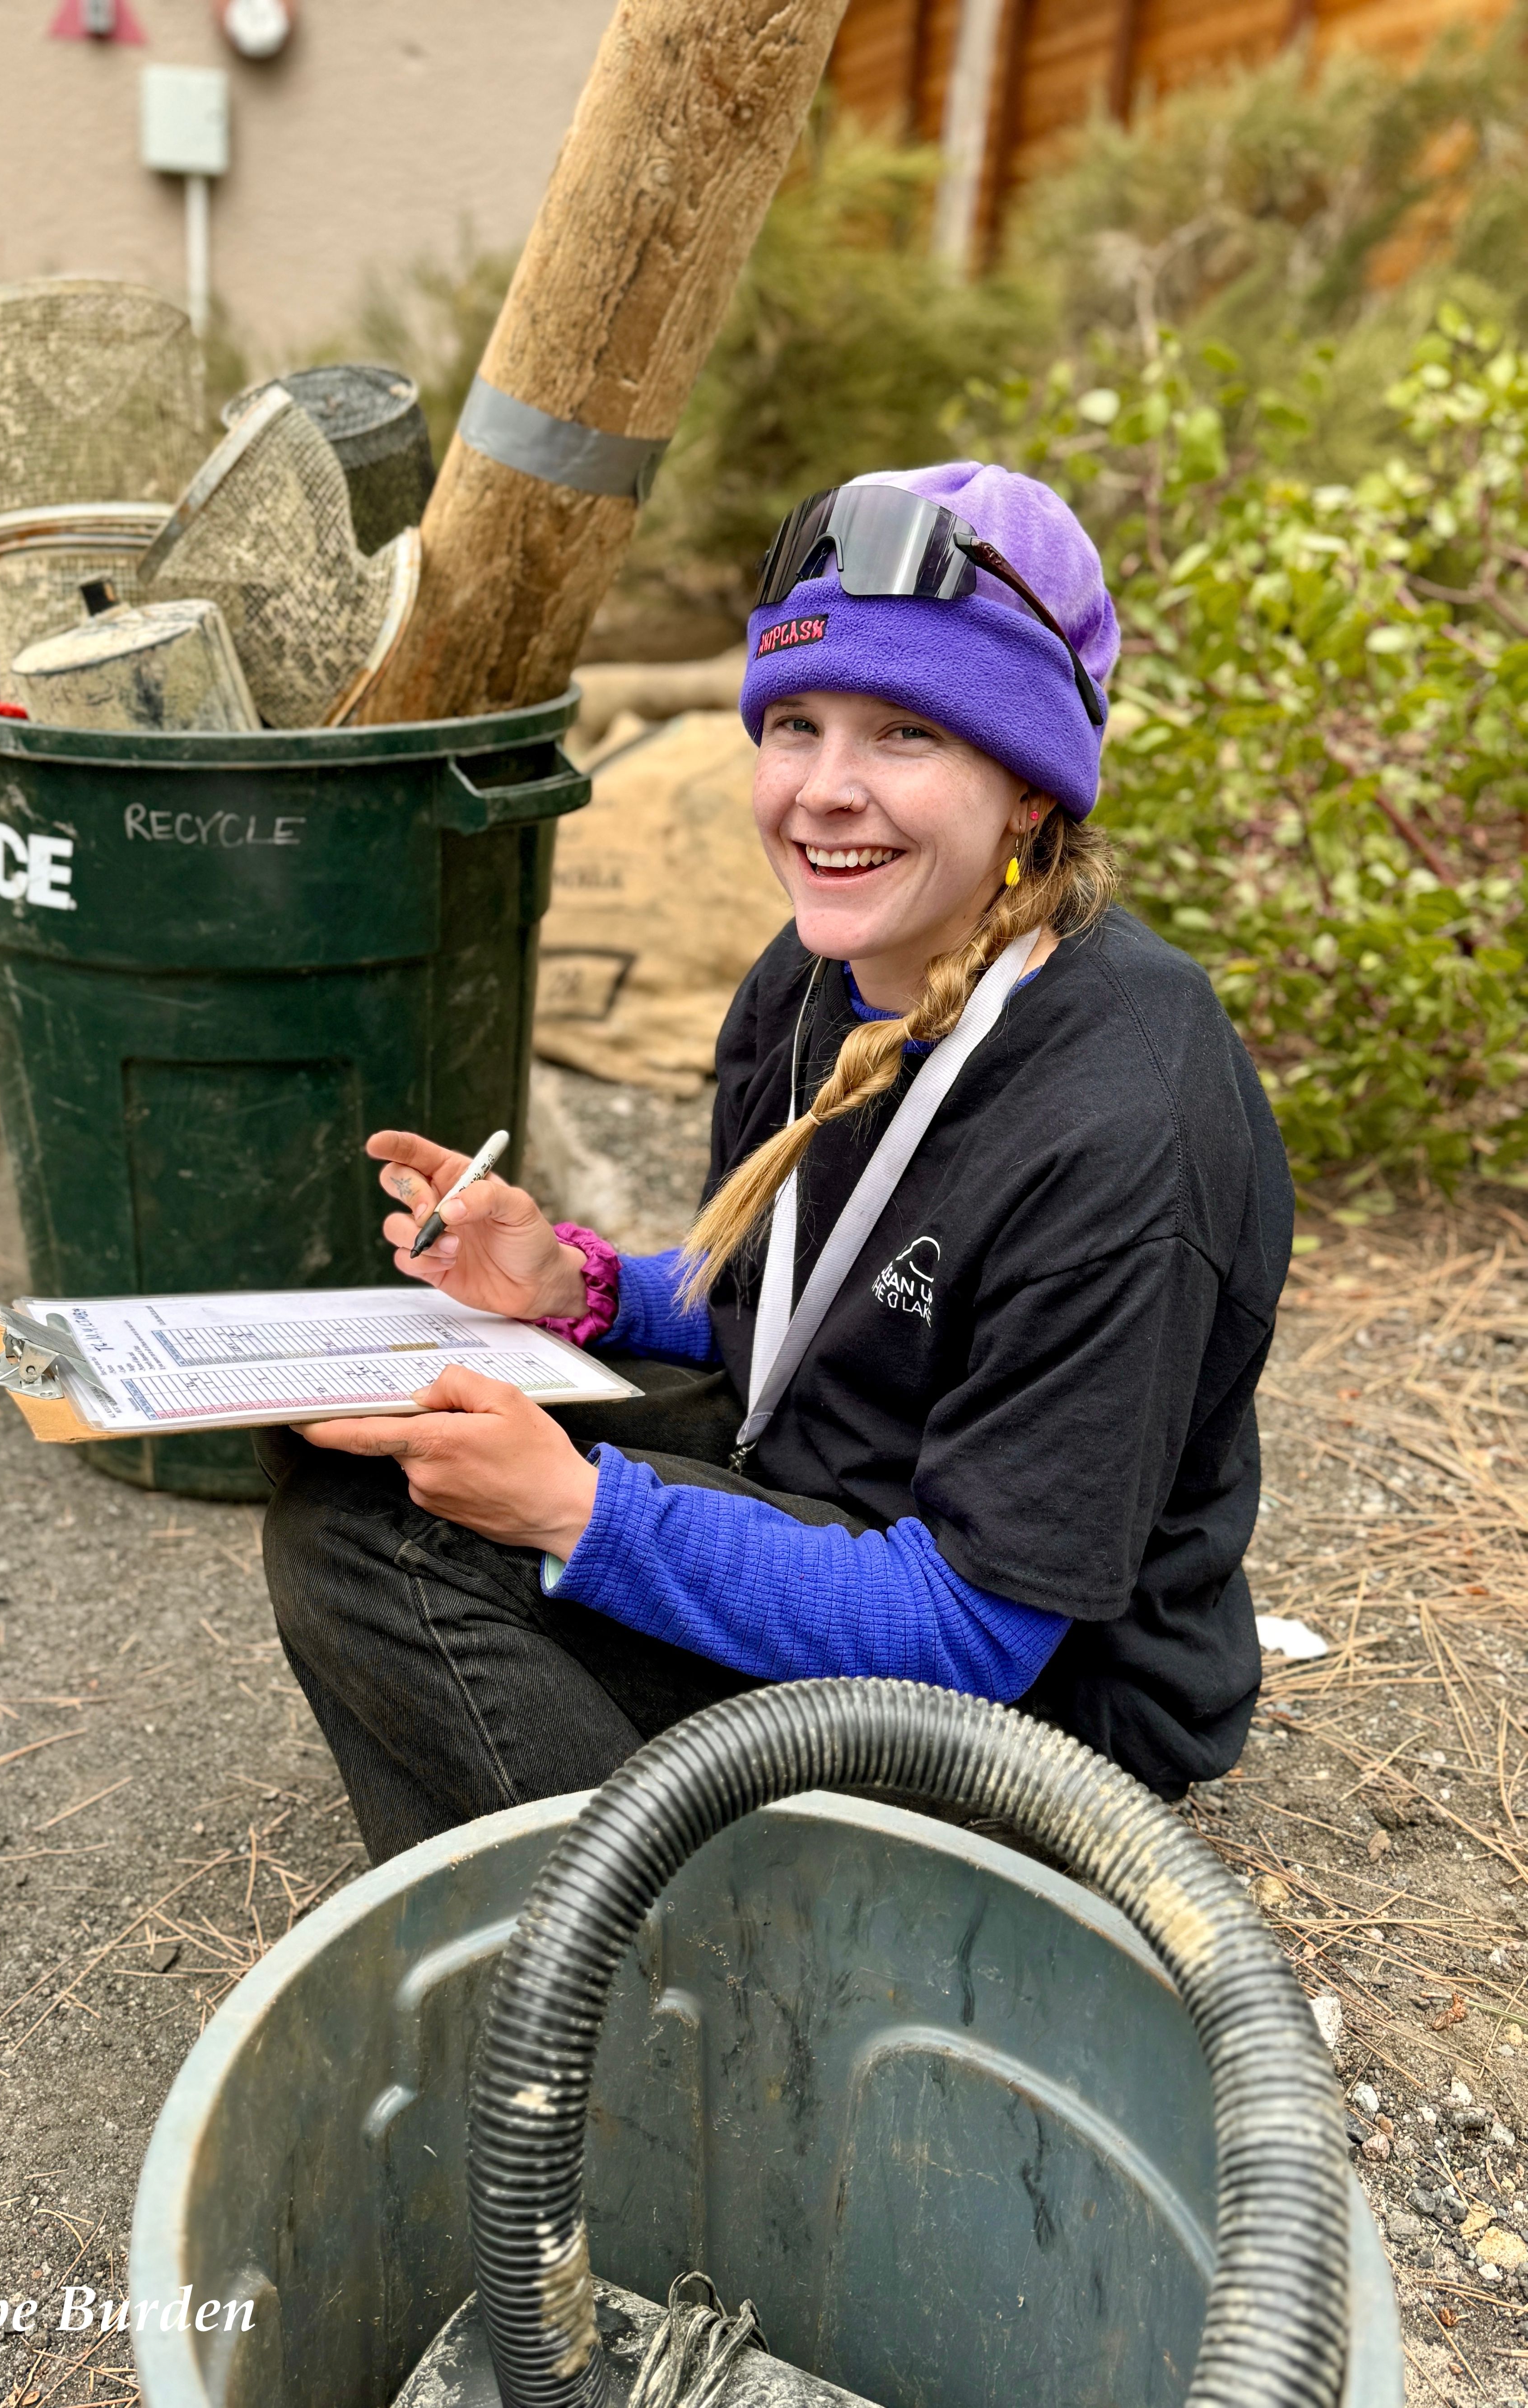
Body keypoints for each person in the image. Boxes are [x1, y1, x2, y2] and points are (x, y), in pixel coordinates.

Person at [256, 461, 1293, 1865]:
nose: (823, 793)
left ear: (1033, 793)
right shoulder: (817, 979)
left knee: (381, 1551)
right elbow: (830, 1293)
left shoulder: (1124, 1128)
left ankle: (649, 1959)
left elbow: (977, 1628)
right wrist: (581, 1285)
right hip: (825, 1490)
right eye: (793, 723)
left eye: (906, 734)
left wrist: (579, 1510)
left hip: (1038, 1710)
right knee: (359, 1445)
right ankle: (640, 1841)